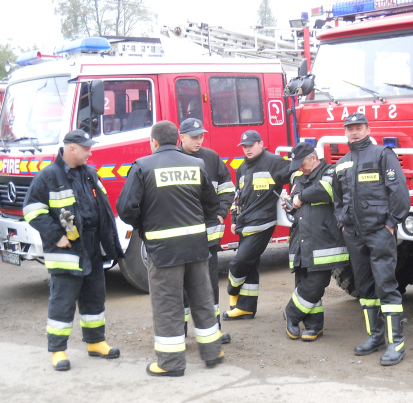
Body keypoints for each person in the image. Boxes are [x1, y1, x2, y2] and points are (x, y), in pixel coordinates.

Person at [117, 120, 224, 377]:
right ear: (177, 139)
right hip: (197, 247)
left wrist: (144, 224)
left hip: (163, 250)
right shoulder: (196, 164)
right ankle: (212, 353)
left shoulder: (143, 166)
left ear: (153, 142)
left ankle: (170, 363)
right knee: (203, 299)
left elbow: (125, 208)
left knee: (168, 304)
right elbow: (211, 205)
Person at [23, 130, 124, 372]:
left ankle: (96, 342)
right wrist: (57, 236)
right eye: (86, 149)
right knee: (63, 301)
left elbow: (102, 208)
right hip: (67, 251)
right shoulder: (48, 176)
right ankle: (58, 350)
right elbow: (32, 210)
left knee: (94, 297)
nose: (90, 153)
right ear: (71, 149)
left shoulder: (89, 173)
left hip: (92, 246)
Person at [332, 113, 410, 366]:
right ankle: (375, 337)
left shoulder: (382, 155)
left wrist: (391, 224)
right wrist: (342, 224)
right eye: (350, 129)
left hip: (379, 233)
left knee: (386, 285)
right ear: (345, 132)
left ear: (367, 129)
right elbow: (337, 199)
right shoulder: (341, 163)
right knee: (365, 288)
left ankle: (396, 343)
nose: (354, 132)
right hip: (354, 235)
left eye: (358, 127)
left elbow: (399, 191)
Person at [175, 118, 234, 344]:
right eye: (193, 137)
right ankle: (179, 332)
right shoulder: (173, 159)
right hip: (181, 240)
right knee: (180, 288)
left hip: (208, 240)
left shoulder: (211, 158)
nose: (198, 140)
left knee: (209, 287)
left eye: (201, 136)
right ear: (181, 137)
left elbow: (227, 187)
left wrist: (221, 212)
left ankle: (213, 330)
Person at [283, 142, 348, 341]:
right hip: (301, 239)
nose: (300, 169)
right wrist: (290, 204)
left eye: (302, 164)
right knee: (303, 280)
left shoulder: (330, 172)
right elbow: (295, 201)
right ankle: (314, 326)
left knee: (317, 282)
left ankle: (291, 313)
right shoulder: (300, 177)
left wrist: (300, 197)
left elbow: (326, 190)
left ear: (313, 158)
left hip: (323, 241)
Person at [224, 130, 290, 320]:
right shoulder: (242, 168)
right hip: (244, 223)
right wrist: (234, 219)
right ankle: (246, 308)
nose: (247, 149)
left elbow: (296, 173)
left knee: (239, 262)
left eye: (251, 145)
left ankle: (232, 290)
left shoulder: (274, 161)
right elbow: (238, 196)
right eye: (244, 146)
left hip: (263, 223)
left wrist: (296, 196)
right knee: (250, 265)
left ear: (261, 144)